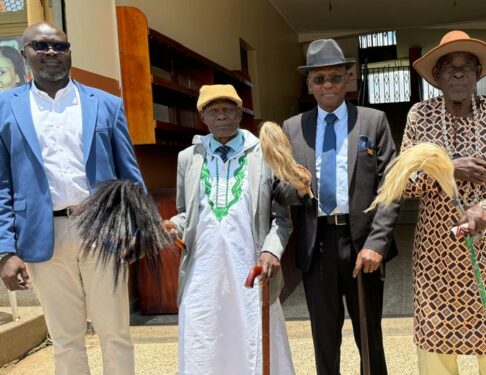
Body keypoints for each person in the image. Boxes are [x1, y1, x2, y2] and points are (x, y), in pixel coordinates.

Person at [0, 22, 143, 375]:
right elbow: (1, 184)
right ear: (24, 54)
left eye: (60, 47)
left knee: (116, 332)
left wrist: (135, 226)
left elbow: (129, 174)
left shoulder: (106, 104)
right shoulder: (5, 107)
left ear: (69, 52)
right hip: (42, 234)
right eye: (40, 46)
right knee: (65, 338)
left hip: (103, 231)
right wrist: (6, 250)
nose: (51, 53)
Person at [403, 30, 486, 375]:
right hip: (437, 262)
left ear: (479, 74)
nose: (458, 73)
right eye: (449, 66)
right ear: (436, 76)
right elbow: (402, 184)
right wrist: (446, 169)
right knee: (436, 356)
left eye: (467, 66)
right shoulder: (420, 117)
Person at [282, 38, 399, 375]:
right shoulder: (293, 128)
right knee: (324, 338)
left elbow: (390, 188)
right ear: (309, 84)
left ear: (349, 78)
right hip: (316, 245)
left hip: (362, 244)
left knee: (369, 336)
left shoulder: (373, 121)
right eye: (319, 79)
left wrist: (377, 244)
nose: (328, 85)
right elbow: (279, 187)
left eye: (335, 77)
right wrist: (297, 190)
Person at [164, 84, 297, 374]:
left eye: (228, 109)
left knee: (254, 334)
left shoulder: (263, 153)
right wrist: (173, 226)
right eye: (213, 110)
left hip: (250, 267)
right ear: (203, 117)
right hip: (203, 271)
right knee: (204, 333)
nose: (221, 115)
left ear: (240, 113)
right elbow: (187, 213)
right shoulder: (189, 157)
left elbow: (281, 217)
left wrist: (271, 251)